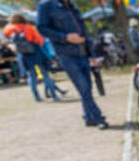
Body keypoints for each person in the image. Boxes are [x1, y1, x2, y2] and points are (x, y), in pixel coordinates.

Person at [37, 0, 108, 129]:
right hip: (66, 53)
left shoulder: (71, 6)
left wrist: (91, 54)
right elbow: (42, 29)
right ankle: (98, 117)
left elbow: (83, 30)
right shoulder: (46, 5)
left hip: (82, 52)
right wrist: (65, 37)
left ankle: (88, 117)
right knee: (84, 87)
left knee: (87, 87)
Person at [4, 13, 61, 102]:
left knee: (31, 76)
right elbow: (40, 41)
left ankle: (37, 97)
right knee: (45, 74)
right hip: (35, 51)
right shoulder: (28, 27)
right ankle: (54, 96)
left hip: (22, 54)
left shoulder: (9, 29)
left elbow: (6, 38)